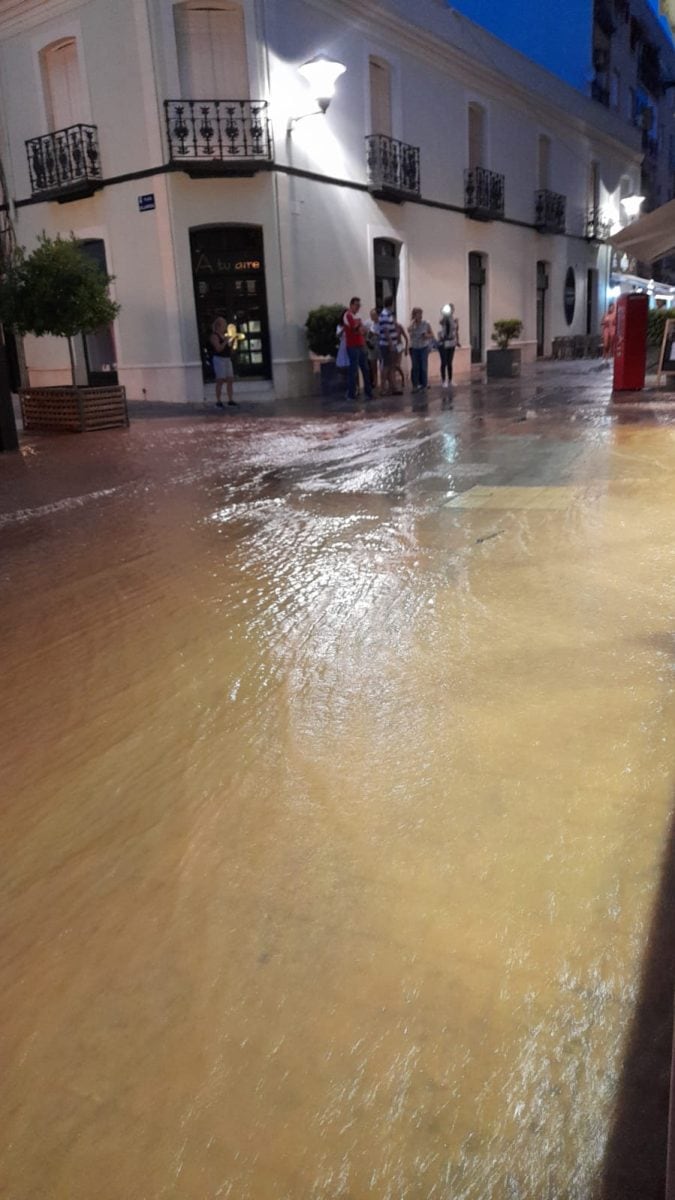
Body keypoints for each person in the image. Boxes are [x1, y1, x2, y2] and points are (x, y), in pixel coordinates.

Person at [343, 297, 373, 400]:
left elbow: (363, 329)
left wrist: (360, 328)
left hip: (361, 344)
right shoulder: (347, 315)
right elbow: (355, 328)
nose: (358, 307)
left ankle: (368, 392)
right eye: (356, 305)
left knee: (365, 368)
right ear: (351, 305)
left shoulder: (358, 316)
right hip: (352, 345)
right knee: (353, 370)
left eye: (359, 305)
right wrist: (359, 328)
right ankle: (351, 394)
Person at [210, 316, 238, 407]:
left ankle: (230, 399)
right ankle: (218, 400)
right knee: (220, 380)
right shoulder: (214, 336)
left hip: (227, 358)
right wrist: (225, 341)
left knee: (230, 379)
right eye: (224, 325)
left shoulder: (225, 336)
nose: (225, 327)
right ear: (218, 326)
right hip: (219, 359)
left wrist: (233, 342)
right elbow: (218, 349)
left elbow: (230, 350)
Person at [408, 307, 434, 392]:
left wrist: (427, 335)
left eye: (421, 314)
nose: (420, 316)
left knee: (423, 366)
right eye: (418, 314)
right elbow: (409, 332)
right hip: (415, 347)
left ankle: (424, 384)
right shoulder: (412, 325)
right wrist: (412, 328)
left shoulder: (426, 323)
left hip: (423, 347)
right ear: (414, 315)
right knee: (415, 366)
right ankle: (416, 385)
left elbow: (432, 334)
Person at [437, 303, 460, 388]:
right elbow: (441, 322)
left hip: (451, 342)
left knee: (450, 362)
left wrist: (457, 340)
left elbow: (456, 331)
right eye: (449, 309)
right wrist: (445, 315)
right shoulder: (444, 318)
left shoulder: (454, 319)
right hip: (444, 342)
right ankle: (443, 380)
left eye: (452, 309)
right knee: (444, 362)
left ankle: (450, 380)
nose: (451, 310)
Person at [364, 307, 381, 390]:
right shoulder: (371, 324)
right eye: (371, 315)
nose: (372, 317)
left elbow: (384, 335)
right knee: (373, 368)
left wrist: (375, 334)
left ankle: (383, 384)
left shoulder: (381, 324)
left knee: (383, 366)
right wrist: (367, 341)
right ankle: (375, 384)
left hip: (380, 347)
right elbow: (367, 335)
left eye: (373, 315)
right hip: (372, 347)